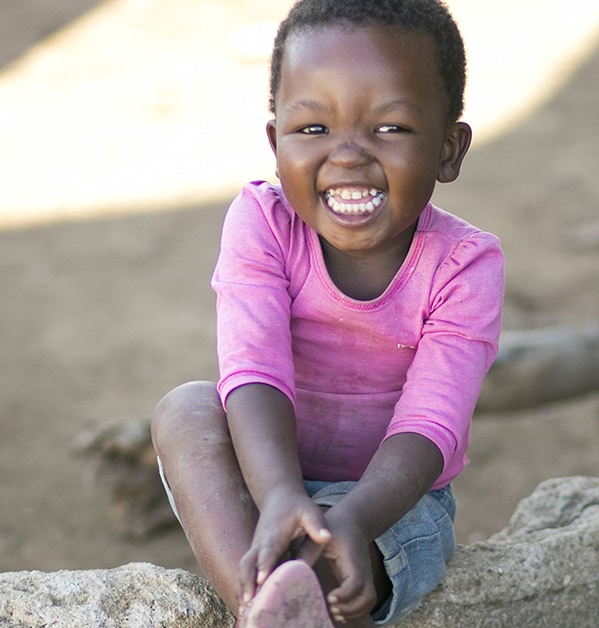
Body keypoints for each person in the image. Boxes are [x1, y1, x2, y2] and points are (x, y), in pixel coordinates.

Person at [151, 0, 503, 625]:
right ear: (275, 142)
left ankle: (294, 598)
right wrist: (282, 494)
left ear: (450, 149)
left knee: (347, 553)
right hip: (264, 475)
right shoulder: (262, 222)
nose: (347, 155)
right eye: (313, 130)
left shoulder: (464, 265)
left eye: (389, 128)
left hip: (384, 505)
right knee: (185, 409)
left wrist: (353, 517)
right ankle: (261, 603)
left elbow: (430, 424)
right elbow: (252, 368)